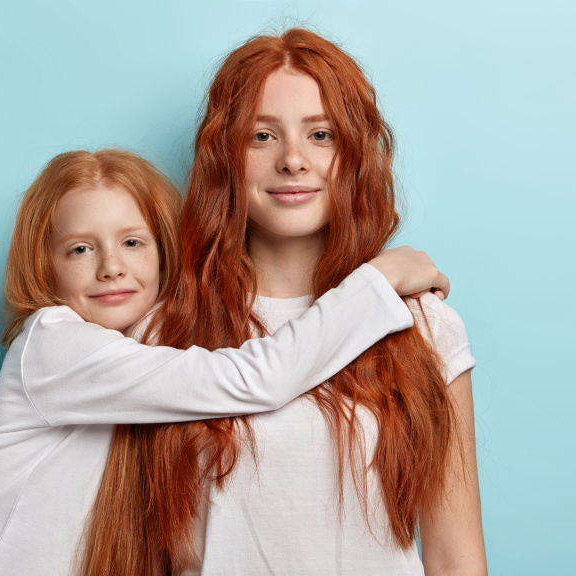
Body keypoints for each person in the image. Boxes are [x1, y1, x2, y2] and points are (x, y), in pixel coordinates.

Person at [0, 149, 450, 576]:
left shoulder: (146, 349)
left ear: (165, 248)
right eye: (80, 249)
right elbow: (254, 378)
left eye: (132, 242)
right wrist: (376, 283)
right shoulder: (52, 344)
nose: (111, 267)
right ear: (44, 268)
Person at [86, 30, 487, 576]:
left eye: (321, 135)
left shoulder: (426, 328)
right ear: (225, 157)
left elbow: (457, 557)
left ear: (353, 155)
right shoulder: (159, 334)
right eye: (262, 136)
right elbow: (137, 553)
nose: (293, 160)